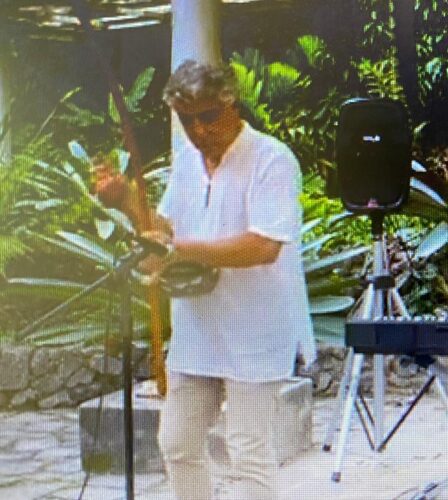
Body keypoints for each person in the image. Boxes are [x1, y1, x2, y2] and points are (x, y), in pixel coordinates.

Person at [96, 59, 316, 500]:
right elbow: (167, 230)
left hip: (256, 328)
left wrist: (179, 250)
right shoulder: (187, 164)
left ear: (230, 103)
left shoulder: (272, 159)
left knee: (247, 451)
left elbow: (264, 245)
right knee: (176, 443)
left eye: (207, 117)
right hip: (198, 325)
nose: (198, 131)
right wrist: (125, 203)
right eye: (186, 119)